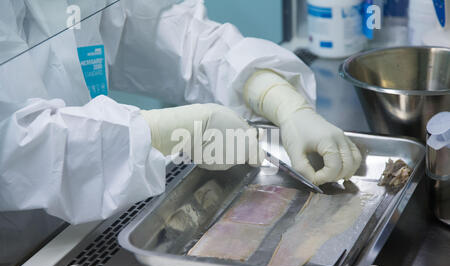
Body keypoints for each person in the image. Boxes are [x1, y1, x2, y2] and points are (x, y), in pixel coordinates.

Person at [0, 0, 361, 225]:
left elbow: (160, 28)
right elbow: (13, 147)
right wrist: (166, 130)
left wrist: (277, 95)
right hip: (14, 250)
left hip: (86, 218)